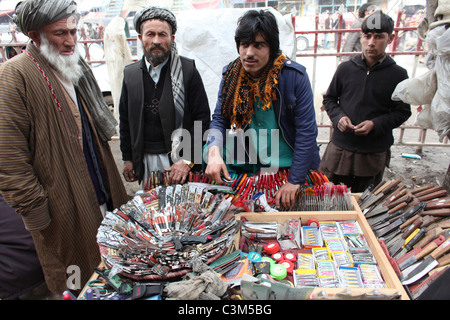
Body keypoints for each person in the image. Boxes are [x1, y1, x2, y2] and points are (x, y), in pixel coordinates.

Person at [0, 0, 129, 296]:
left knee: (117, 266)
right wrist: (38, 212)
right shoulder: (15, 75)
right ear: (35, 35)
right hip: (62, 204)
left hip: (101, 187)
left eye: (74, 30)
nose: (71, 40)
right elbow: (9, 158)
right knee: (77, 278)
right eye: (60, 33)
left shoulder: (74, 66)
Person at [205, 10, 320, 209]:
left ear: (272, 47)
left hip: (287, 167)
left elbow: (306, 132)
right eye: (244, 44)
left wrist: (294, 181)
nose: (249, 52)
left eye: (259, 45)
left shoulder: (294, 77)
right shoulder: (231, 75)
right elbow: (219, 119)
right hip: (247, 165)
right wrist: (213, 152)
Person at [319, 11, 412, 192]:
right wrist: (339, 118)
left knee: (363, 201)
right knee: (328, 196)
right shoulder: (345, 69)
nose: (371, 42)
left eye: (378, 37)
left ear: (391, 38)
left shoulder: (398, 75)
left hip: (373, 152)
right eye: (367, 36)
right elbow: (330, 99)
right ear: (361, 36)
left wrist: (375, 124)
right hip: (339, 149)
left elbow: (402, 112)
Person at [119, 6, 210, 187]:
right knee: (152, 209)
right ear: (140, 38)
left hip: (180, 164)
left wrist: (187, 160)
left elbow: (202, 120)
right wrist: (128, 158)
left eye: (162, 35)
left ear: (172, 38)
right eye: (150, 34)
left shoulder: (187, 70)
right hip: (145, 161)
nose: (156, 41)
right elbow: (125, 121)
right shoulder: (131, 75)